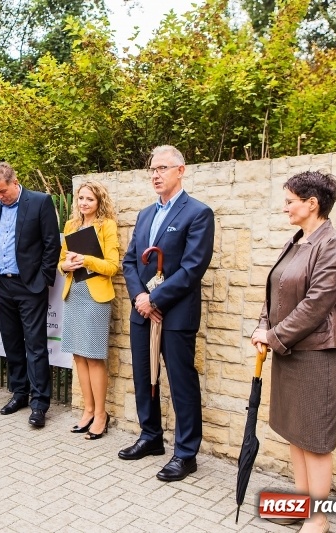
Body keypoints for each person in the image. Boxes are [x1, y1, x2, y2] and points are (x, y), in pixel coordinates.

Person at [251, 171, 336, 533]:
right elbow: (274, 292)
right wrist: (263, 328)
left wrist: (273, 336)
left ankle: (318, 519)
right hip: (289, 353)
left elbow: (315, 306)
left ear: (312, 204)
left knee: (315, 440)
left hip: (315, 356)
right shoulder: (296, 241)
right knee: (296, 433)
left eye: (290, 201)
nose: (285, 208)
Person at [121, 145, 215, 482]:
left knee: (181, 383)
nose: (155, 175)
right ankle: (151, 437)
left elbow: (192, 269)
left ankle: (186, 454)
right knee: (144, 377)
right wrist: (140, 298)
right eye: (152, 169)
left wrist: (156, 300)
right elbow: (130, 261)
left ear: (181, 170)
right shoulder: (145, 214)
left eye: (162, 168)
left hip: (176, 315)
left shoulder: (198, 213)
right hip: (142, 312)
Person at [0, 162, 60, 428]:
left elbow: (52, 244)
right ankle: (19, 393)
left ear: (15, 183)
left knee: (35, 346)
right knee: (12, 343)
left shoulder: (39, 202)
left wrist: (42, 280)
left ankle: (39, 404)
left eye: (3, 191)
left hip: (29, 286)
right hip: (0, 285)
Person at [59, 180, 119, 440]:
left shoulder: (107, 226)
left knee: (93, 356)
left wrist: (87, 260)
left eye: (90, 199)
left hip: (95, 298)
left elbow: (113, 266)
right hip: (74, 294)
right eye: (81, 198)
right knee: (78, 356)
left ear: (99, 202)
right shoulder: (70, 226)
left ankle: (101, 415)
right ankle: (88, 410)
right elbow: (61, 261)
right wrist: (66, 266)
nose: (84, 203)